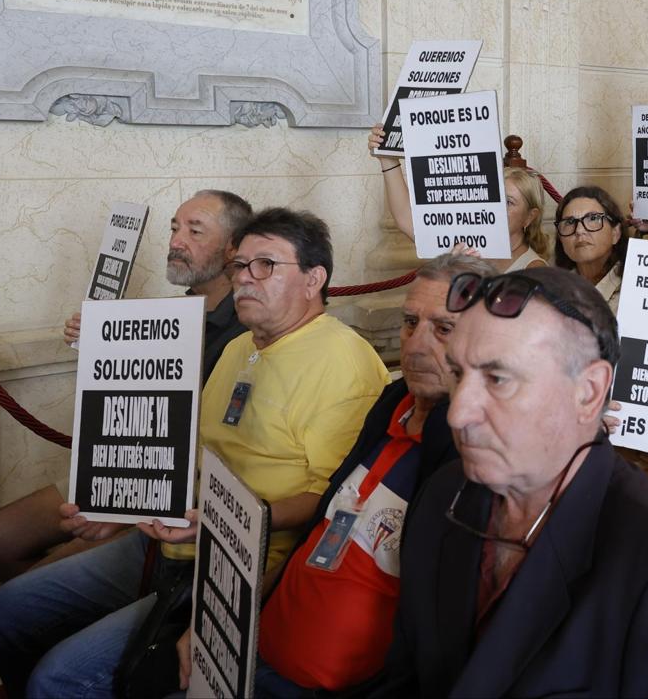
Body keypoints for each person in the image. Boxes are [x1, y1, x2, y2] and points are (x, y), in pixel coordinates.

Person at [0, 207, 391, 698]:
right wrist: (126, 508)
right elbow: (193, 453)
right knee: (9, 610)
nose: (245, 279)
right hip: (169, 538)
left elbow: (331, 501)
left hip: (244, 566)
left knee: (61, 678)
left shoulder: (343, 363)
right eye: (239, 266)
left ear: (313, 279)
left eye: (265, 265)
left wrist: (216, 524)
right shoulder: (241, 347)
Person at [372, 267, 648, 697]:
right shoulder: (442, 494)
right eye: (458, 375)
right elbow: (405, 675)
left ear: (588, 392)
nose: (458, 413)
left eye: (497, 379)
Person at [175, 253, 495, 696]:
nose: (416, 344)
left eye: (443, 329)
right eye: (408, 322)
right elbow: (316, 535)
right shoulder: (391, 405)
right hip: (252, 652)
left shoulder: (475, 453)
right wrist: (224, 616)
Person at [0, 189, 252, 583]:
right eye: (174, 228)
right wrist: (102, 341)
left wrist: (122, 512)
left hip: (176, 488)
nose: (175, 241)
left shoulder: (250, 325)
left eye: (194, 231)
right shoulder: (169, 315)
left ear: (232, 249)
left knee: (26, 596)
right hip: (122, 465)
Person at [367, 124, 550, 272]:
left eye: (508, 202)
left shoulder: (534, 270)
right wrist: (387, 159)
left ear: (530, 216)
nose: (496, 208)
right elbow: (407, 219)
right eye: (493, 198)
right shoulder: (468, 245)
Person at [554, 184, 627, 312]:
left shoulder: (635, 290)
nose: (579, 231)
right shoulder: (553, 289)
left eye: (593, 218)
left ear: (616, 233)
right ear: (560, 239)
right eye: (570, 222)